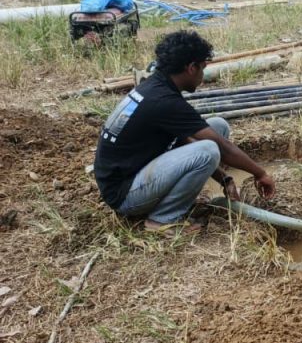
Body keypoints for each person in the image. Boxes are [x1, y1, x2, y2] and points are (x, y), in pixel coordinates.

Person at [93, 31, 276, 235]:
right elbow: (222, 148)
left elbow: (186, 138)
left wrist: (225, 179)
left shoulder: (156, 86)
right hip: (125, 195)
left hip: (135, 173)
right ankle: (163, 220)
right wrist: (260, 173)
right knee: (209, 149)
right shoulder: (164, 101)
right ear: (191, 68)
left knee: (217, 125)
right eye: (202, 69)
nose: (202, 77)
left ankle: (171, 201)